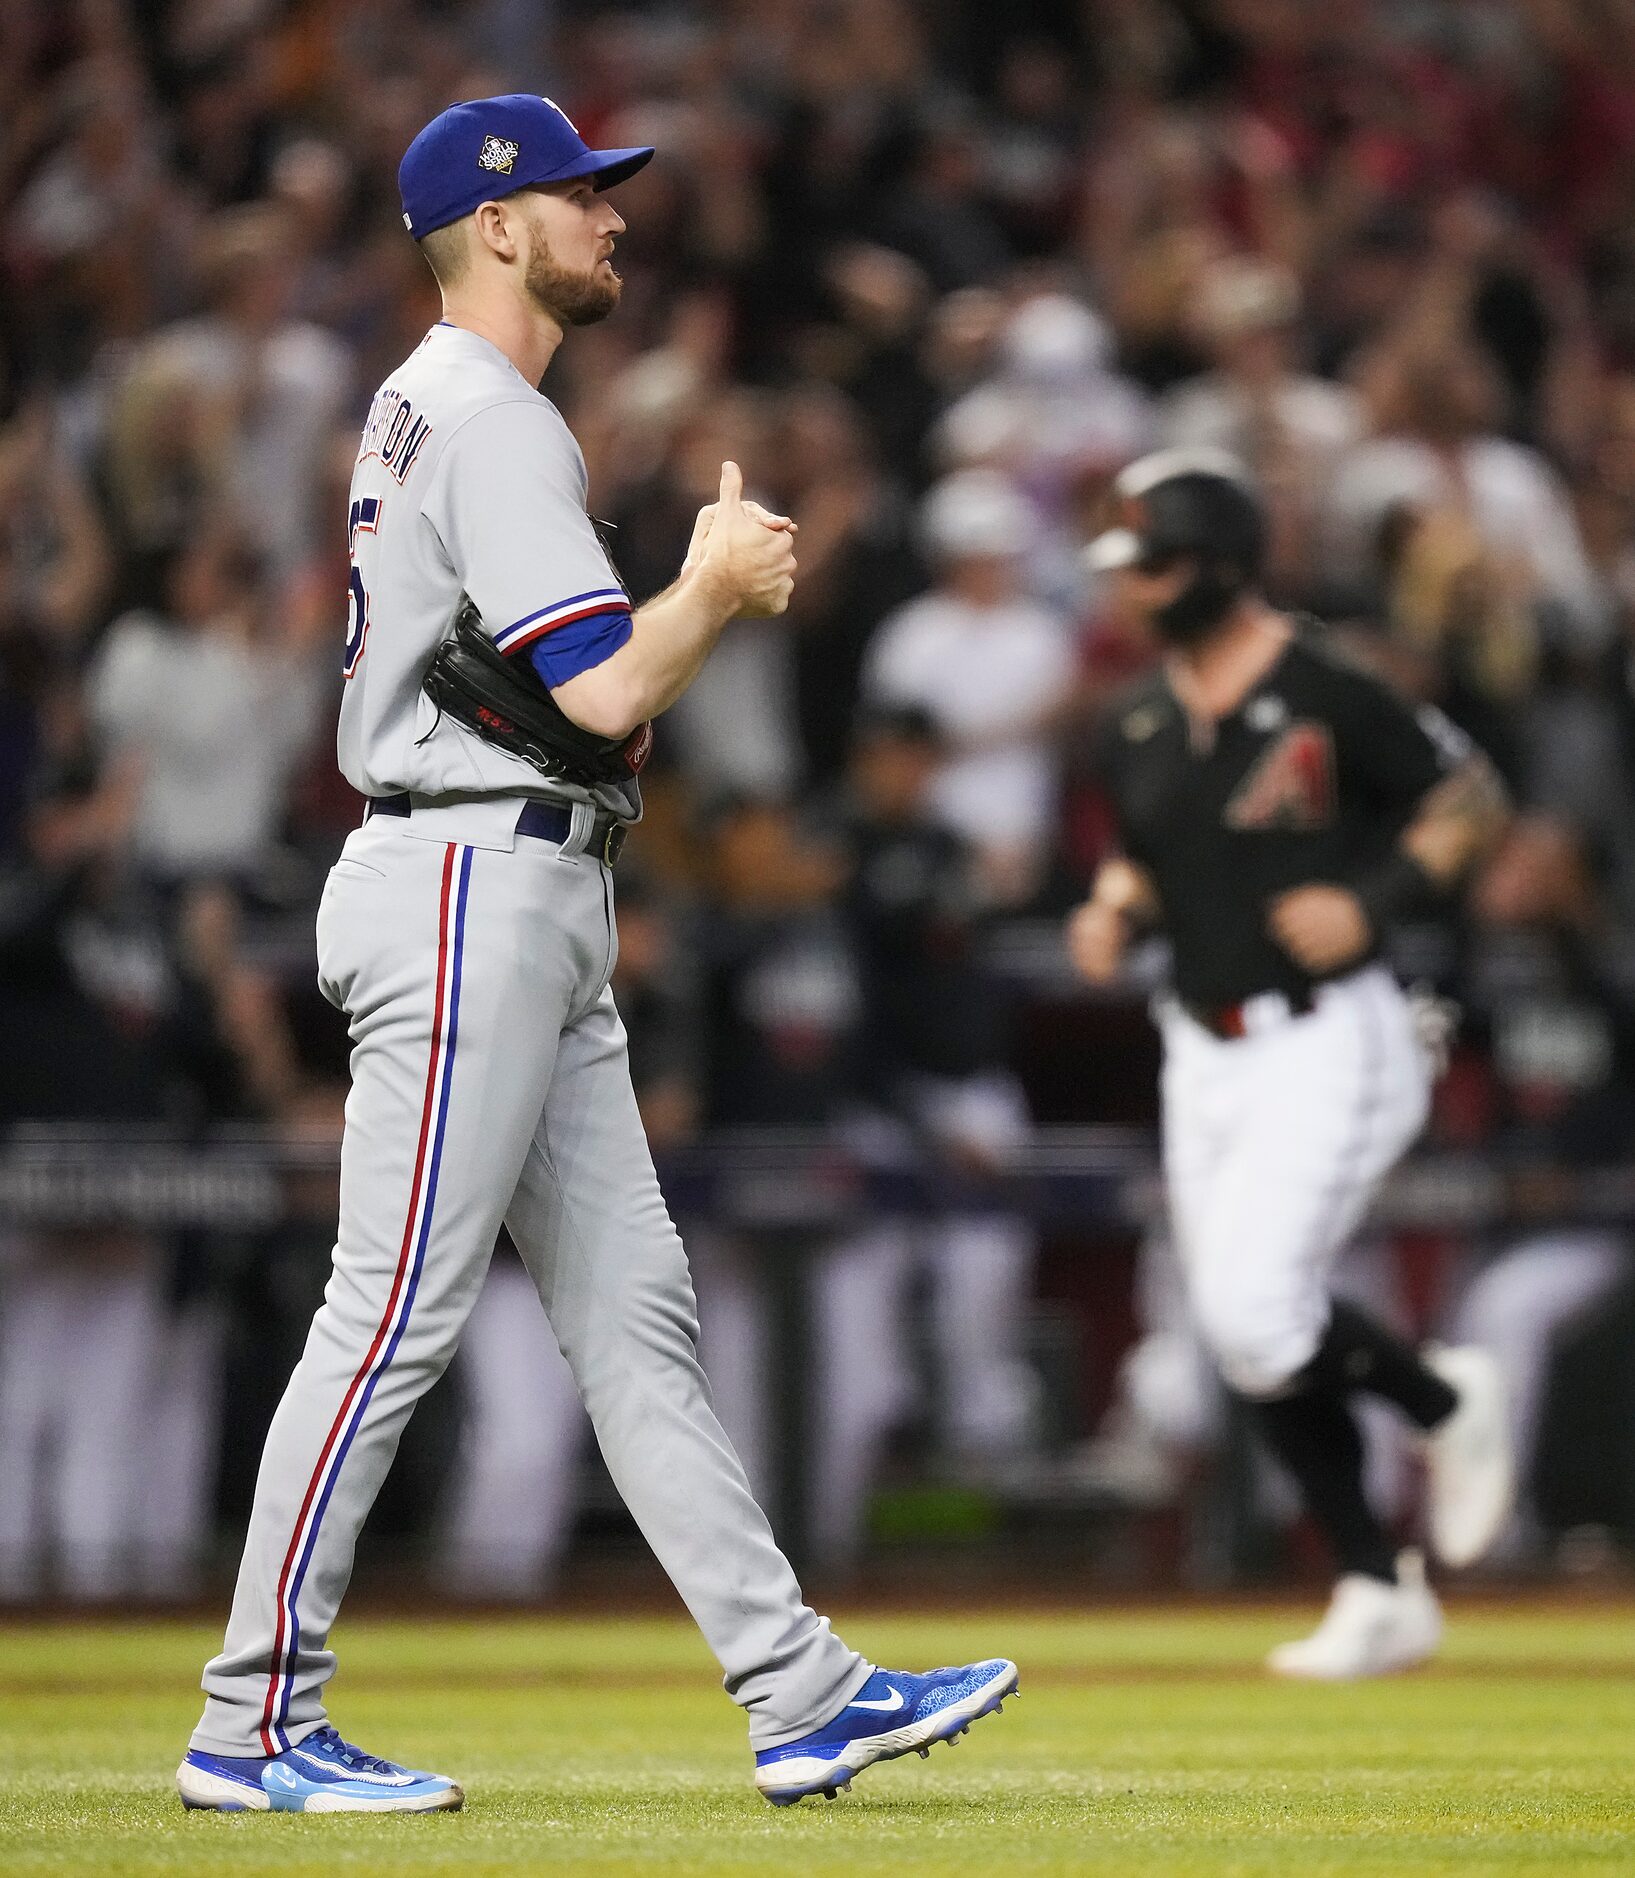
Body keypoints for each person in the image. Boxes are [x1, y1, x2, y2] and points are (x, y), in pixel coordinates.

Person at [176, 94, 1014, 1816]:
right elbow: (609, 692)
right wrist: (710, 584)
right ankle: (251, 1716)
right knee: (392, 1305)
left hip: (517, 880)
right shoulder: (489, 418)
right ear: (496, 226)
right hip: (470, 876)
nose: (611, 218)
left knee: (634, 1313)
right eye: (577, 194)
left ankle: (800, 1687)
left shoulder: (441, 407)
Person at [1066, 446, 1516, 1680]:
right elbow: (1146, 856)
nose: (1138, 586)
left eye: (1158, 563)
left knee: (1259, 1308)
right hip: (1198, 1043)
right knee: (1241, 1326)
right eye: (1130, 564)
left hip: (1331, 1027)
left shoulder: (1329, 687)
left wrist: (1378, 900)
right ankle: (1380, 1584)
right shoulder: (1139, 715)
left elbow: (1470, 797)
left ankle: (1439, 1405)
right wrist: (1114, 905)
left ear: (1223, 561)